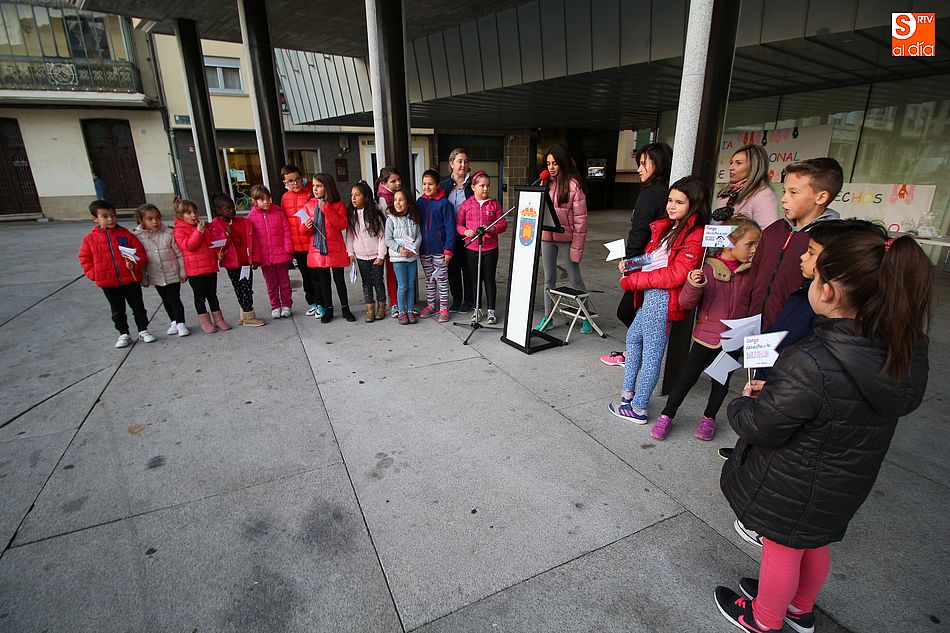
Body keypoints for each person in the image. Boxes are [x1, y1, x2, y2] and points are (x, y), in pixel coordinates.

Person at [714, 232, 932, 633]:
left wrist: (744, 403)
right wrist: (785, 394)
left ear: (828, 292)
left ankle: (764, 618)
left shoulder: (812, 359)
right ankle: (800, 608)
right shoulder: (904, 351)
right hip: (846, 480)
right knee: (814, 543)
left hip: (797, 480)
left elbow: (763, 425)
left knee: (781, 549)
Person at [648, 215, 761, 441]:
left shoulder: (752, 273)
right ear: (729, 242)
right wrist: (694, 283)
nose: (754, 249)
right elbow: (686, 303)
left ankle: (709, 418)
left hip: (733, 340)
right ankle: (667, 415)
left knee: (721, 383)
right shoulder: (706, 269)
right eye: (750, 244)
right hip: (705, 337)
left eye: (757, 244)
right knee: (686, 378)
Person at [608, 176, 708, 423]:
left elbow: (676, 274)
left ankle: (639, 407)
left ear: (693, 205)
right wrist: (631, 265)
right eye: (670, 200)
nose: (672, 206)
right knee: (633, 338)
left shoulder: (695, 234)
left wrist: (633, 281)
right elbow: (653, 258)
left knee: (652, 354)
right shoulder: (670, 227)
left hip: (663, 298)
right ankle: (628, 396)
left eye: (679, 202)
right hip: (651, 295)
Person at [749, 157, 842, 331]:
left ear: (821, 197)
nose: (784, 199)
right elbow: (752, 280)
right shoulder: (773, 231)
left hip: (795, 338)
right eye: (784, 191)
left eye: (793, 192)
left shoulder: (829, 241)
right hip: (754, 331)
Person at [602, 142, 673, 366]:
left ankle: (638, 354)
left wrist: (629, 264)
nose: (639, 169)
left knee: (627, 311)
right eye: (638, 164)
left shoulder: (651, 194)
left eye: (644, 163)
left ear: (658, 163)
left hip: (648, 263)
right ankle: (636, 353)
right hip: (659, 263)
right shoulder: (666, 191)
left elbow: (639, 232)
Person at [78, 199, 152, 348]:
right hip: (108, 281)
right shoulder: (90, 239)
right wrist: (94, 274)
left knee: (138, 306)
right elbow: (85, 259)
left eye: (113, 215)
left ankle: (143, 330)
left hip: (130, 278)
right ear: (95, 219)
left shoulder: (126, 235)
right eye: (105, 216)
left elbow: (141, 254)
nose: (110, 219)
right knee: (117, 310)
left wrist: (135, 264)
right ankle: (123, 333)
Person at [536, 143, 592, 333]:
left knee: (575, 278)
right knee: (548, 280)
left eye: (555, 163)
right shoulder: (545, 183)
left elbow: (580, 222)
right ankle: (548, 317)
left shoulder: (574, 187)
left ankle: (586, 316)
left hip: (567, 239)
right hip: (547, 237)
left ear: (563, 163)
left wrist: (577, 248)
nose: (550, 167)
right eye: (548, 163)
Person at [456, 171, 507, 325]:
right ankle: (477, 309)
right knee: (474, 279)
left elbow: (503, 224)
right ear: (473, 187)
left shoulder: (494, 204)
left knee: (489, 279)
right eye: (481, 185)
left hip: (490, 248)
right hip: (472, 248)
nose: (485, 189)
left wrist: (491, 229)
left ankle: (491, 311)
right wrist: (465, 231)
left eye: (487, 186)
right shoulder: (466, 205)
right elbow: (458, 224)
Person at [174, 198, 230, 333]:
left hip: (209, 266)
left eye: (195, 212)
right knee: (200, 297)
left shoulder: (203, 226)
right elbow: (189, 246)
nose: (193, 215)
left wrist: (217, 253)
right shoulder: (180, 230)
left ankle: (218, 319)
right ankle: (205, 321)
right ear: (181, 216)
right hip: (195, 270)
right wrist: (198, 232)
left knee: (212, 295)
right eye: (188, 213)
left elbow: (210, 243)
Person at [133, 203, 189, 337]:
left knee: (174, 298)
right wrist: (144, 278)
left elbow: (179, 254)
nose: (155, 221)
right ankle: (174, 321)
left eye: (157, 218)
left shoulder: (169, 233)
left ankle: (181, 322)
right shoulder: (138, 237)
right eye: (150, 219)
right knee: (165, 299)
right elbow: (141, 259)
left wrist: (183, 271)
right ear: (142, 221)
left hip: (172, 272)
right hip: (155, 274)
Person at [209, 193, 265, 327]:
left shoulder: (243, 222)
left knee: (247, 288)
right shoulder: (216, 225)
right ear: (218, 210)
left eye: (233, 208)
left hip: (245, 263)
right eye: (227, 209)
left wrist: (255, 259)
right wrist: (227, 233)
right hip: (232, 264)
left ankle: (246, 313)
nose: (232, 211)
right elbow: (217, 244)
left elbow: (253, 242)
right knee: (239, 288)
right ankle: (247, 315)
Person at [305, 173, 354, 323]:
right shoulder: (308, 205)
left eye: (319, 186)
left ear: (328, 187)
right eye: (313, 186)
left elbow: (341, 224)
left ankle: (346, 308)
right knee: (324, 282)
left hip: (335, 248)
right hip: (318, 250)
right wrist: (306, 227)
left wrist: (326, 209)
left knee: (339, 280)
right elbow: (305, 231)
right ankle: (329, 309)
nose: (315, 189)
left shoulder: (337, 204)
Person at [278, 164, 323, 318]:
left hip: (313, 242)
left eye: (297, 179)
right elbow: (285, 223)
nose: (295, 183)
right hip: (297, 245)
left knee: (317, 275)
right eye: (290, 181)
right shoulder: (285, 198)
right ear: (285, 183)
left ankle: (321, 302)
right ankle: (312, 302)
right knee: (305, 275)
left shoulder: (312, 191)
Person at [247, 185, 294, 319]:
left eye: (268, 198)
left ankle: (286, 305)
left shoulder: (278, 212)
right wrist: (255, 258)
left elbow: (286, 231)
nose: (266, 202)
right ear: (254, 201)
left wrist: (288, 249)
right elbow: (252, 240)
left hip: (281, 254)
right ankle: (275, 306)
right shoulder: (251, 217)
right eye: (262, 200)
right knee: (271, 284)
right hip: (265, 258)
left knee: (284, 282)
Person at [346, 181, 388, 323]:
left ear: (366, 197)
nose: (353, 198)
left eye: (357, 195)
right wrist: (350, 252)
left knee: (378, 281)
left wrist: (381, 255)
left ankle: (381, 307)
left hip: (376, 255)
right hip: (361, 256)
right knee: (366, 283)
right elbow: (350, 235)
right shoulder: (352, 215)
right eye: (352, 195)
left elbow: (382, 236)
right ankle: (370, 309)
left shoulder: (374, 214)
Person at [417, 169, 456, 323]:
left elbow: (450, 228)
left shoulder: (445, 204)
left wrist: (449, 249)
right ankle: (431, 305)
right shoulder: (420, 202)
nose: (427, 187)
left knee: (441, 279)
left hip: (440, 250)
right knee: (429, 279)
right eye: (424, 184)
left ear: (438, 185)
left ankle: (444, 308)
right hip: (424, 249)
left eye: (430, 184)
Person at [440, 148, 475, 313]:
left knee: (468, 269)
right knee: (452, 269)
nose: (463, 164)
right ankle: (457, 300)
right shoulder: (444, 184)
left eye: (465, 161)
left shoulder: (473, 183)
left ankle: (469, 300)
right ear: (451, 164)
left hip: (468, 234)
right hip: (450, 235)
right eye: (459, 161)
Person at [715, 144, 780, 229]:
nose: (731, 167)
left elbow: (767, 232)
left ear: (753, 167)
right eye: (731, 163)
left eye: (738, 163)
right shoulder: (726, 193)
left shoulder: (763, 194)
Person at [385, 189, 422, 325]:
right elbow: (388, 240)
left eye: (401, 200)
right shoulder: (391, 219)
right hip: (399, 258)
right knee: (402, 285)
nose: (397, 203)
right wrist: (399, 249)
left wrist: (415, 248)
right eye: (395, 200)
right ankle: (402, 312)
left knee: (411, 284)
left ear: (408, 202)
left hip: (411, 258)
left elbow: (418, 235)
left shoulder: (413, 217)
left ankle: (410, 310)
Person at [376, 166, 405, 318]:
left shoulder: (394, 194)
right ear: (385, 182)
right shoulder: (384, 198)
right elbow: (387, 221)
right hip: (392, 240)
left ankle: (401, 302)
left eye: (399, 179)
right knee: (393, 273)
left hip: (400, 239)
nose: (398, 183)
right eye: (393, 181)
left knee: (401, 272)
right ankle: (395, 303)